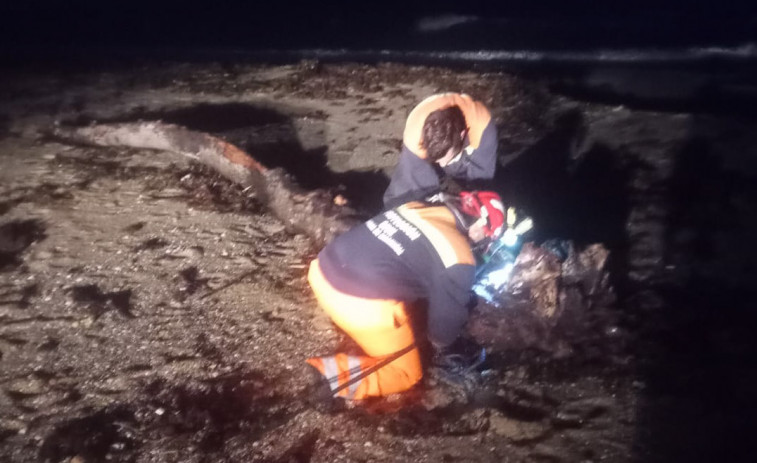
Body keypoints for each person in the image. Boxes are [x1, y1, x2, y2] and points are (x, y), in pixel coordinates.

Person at [306, 191, 506, 400]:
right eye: (486, 236)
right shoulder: (459, 256)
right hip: (354, 304)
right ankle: (330, 376)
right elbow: (442, 334)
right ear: (480, 225)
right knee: (405, 373)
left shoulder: (418, 207)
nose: (482, 241)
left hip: (321, 269)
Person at [383, 93, 498, 210]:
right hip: (423, 139)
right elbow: (414, 181)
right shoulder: (414, 136)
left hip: (465, 147)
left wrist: (477, 205)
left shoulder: (483, 128)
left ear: (462, 135)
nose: (442, 164)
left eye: (443, 160)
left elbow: (482, 179)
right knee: (406, 192)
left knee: (478, 187)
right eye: (438, 161)